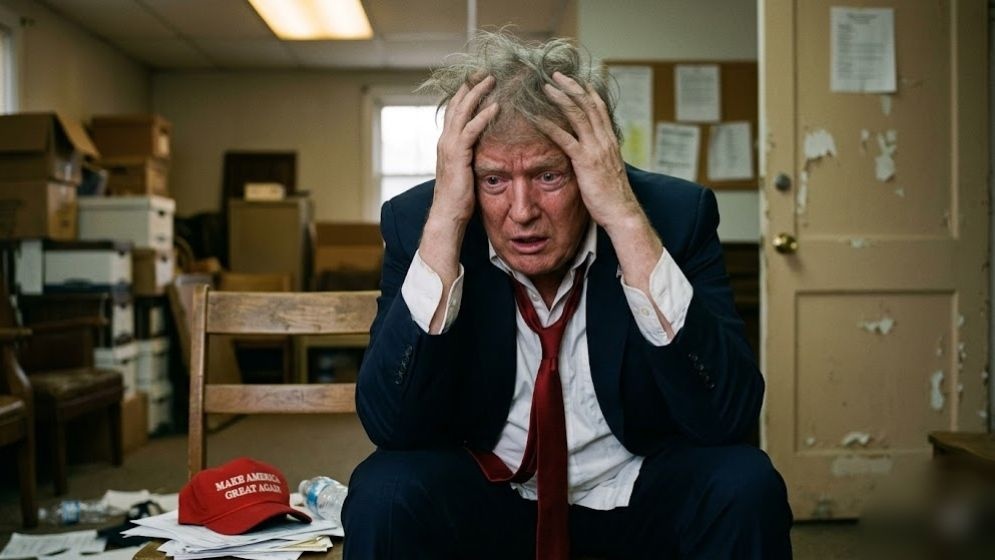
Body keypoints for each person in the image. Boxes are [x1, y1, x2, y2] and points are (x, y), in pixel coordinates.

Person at [343, 31, 792, 559]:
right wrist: (447, 217)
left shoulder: (675, 217)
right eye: (494, 180)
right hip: (493, 496)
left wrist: (623, 217)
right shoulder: (423, 222)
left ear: (593, 165)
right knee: (384, 491)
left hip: (634, 490)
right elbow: (391, 425)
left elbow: (728, 415)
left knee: (746, 483)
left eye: (548, 175)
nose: (522, 211)